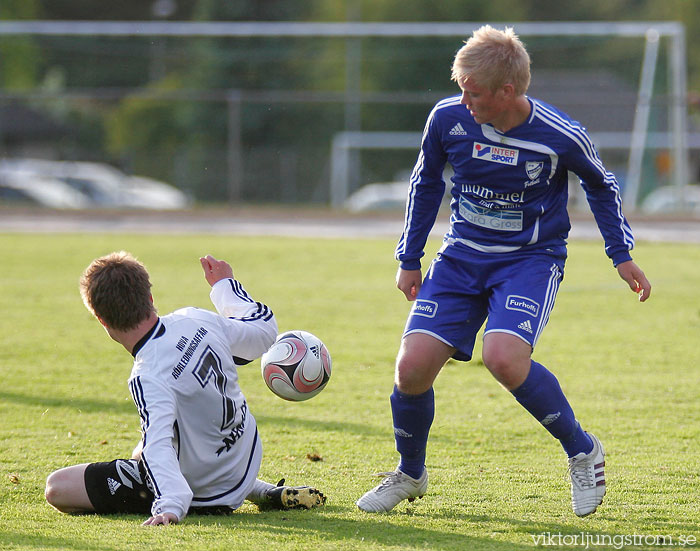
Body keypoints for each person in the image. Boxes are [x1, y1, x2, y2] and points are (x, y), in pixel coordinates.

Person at [356, 25, 651, 517]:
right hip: (460, 258)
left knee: (504, 359)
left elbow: (602, 185)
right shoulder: (447, 119)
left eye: (474, 94)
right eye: (461, 90)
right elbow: (426, 182)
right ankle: (410, 473)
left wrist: (620, 254)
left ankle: (583, 451)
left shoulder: (560, 135)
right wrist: (410, 257)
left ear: (507, 91)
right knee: (411, 369)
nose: (464, 101)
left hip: (529, 261)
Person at [45, 252, 325, 525]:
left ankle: (242, 490)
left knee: (57, 487)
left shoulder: (147, 375)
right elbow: (262, 333)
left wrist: (171, 505)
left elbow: (158, 445)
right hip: (246, 454)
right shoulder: (194, 319)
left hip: (211, 493)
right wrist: (225, 286)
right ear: (150, 298)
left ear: (101, 320)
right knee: (140, 451)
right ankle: (259, 489)